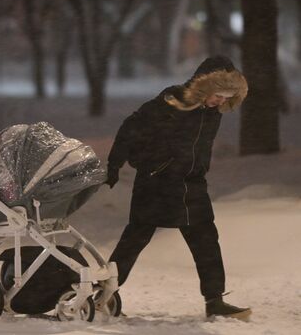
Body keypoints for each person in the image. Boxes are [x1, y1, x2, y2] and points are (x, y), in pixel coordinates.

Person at [106, 56, 251, 319]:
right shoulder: (172, 101)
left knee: (206, 241)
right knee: (135, 239)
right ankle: (103, 295)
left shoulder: (212, 112)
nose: (220, 101)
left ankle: (215, 301)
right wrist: (113, 165)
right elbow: (131, 127)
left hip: (192, 184)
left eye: (226, 97)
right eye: (217, 94)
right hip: (157, 183)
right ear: (204, 86)